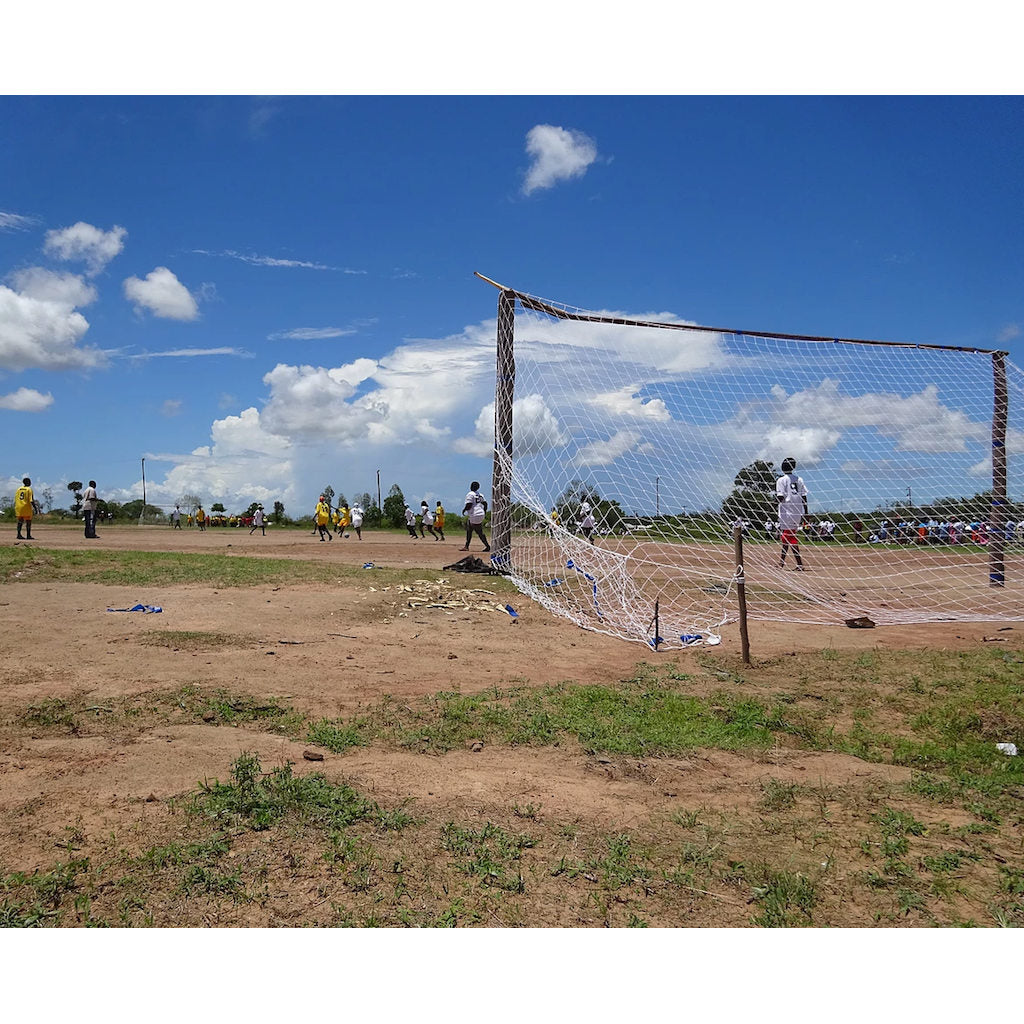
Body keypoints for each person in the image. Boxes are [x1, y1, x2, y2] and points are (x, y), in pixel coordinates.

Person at [775, 457, 808, 570]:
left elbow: (780, 496)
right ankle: (781, 562)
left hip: (787, 511)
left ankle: (799, 564)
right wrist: (806, 512)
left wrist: (771, 507)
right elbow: (804, 496)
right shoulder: (799, 479)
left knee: (789, 537)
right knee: (787, 537)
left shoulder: (781, 480)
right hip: (797, 511)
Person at [460, 481, 490, 552]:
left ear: (471, 487)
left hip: (474, 514)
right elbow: (485, 504)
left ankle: (488, 546)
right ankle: (466, 546)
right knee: (469, 529)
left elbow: (469, 505)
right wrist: (484, 512)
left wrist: (464, 510)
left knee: (479, 532)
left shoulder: (470, 494)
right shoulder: (481, 495)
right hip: (480, 513)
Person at [14, 477, 35, 541]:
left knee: (20, 521)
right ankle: (28, 535)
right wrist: (35, 508)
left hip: (19, 507)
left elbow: (16, 498)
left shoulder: (18, 489)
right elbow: (31, 500)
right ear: (28, 482)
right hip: (26, 507)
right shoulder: (29, 489)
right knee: (28, 521)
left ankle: (18, 534)